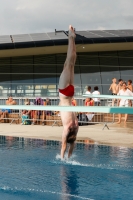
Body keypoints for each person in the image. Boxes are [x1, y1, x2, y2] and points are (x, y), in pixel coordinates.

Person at [59, 25, 79, 159]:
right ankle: (71, 37)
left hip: (70, 93)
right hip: (64, 93)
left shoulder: (76, 127)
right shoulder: (67, 128)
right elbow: (64, 146)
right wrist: (62, 158)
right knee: (68, 63)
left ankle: (72, 38)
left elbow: (71, 145)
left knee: (72, 62)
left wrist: (69, 157)